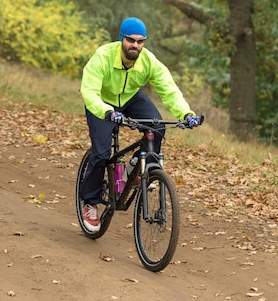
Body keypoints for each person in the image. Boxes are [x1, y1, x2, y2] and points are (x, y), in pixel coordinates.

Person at [79, 16, 200, 232]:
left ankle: (137, 171)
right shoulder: (103, 56)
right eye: (130, 40)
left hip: (130, 97)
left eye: (140, 41)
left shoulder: (148, 61)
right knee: (101, 152)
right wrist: (106, 111)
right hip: (102, 102)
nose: (135, 45)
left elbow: (169, 89)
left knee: (157, 127)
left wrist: (186, 113)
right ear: (121, 39)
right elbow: (89, 91)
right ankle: (90, 202)